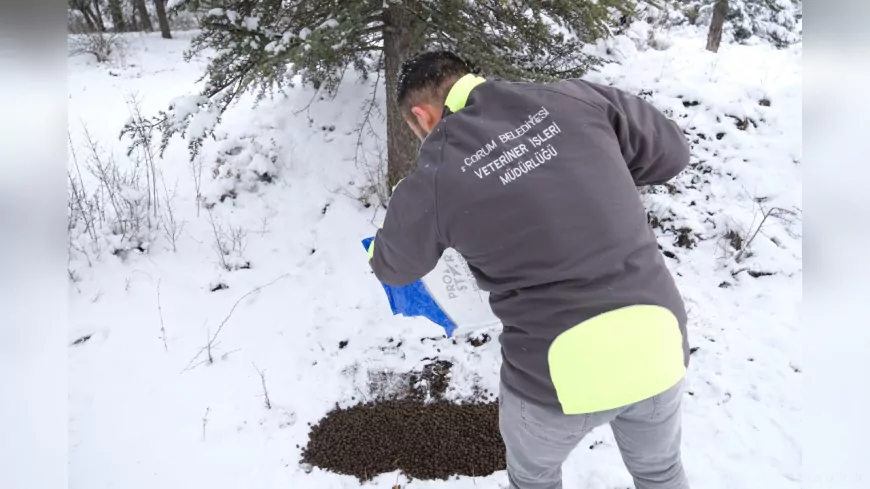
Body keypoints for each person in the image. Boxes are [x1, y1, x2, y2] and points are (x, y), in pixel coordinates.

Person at [367, 50, 692, 489]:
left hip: (556, 374)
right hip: (657, 341)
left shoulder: (439, 170)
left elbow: (393, 266)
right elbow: (672, 153)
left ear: (423, 117)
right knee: (661, 472)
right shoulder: (573, 98)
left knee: (533, 480)